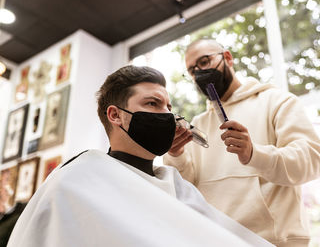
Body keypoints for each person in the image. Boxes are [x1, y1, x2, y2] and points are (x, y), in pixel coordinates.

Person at [7, 66, 274, 247]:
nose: (168, 115)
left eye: (168, 106)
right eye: (152, 103)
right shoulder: (76, 181)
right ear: (115, 115)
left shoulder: (175, 186)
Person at [164, 39, 320, 247]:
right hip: (217, 241)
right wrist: (176, 155)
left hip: (273, 241)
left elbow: (311, 162)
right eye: (192, 70)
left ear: (227, 58)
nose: (200, 72)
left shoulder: (277, 102)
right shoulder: (198, 124)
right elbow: (185, 190)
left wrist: (253, 154)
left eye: (204, 62)